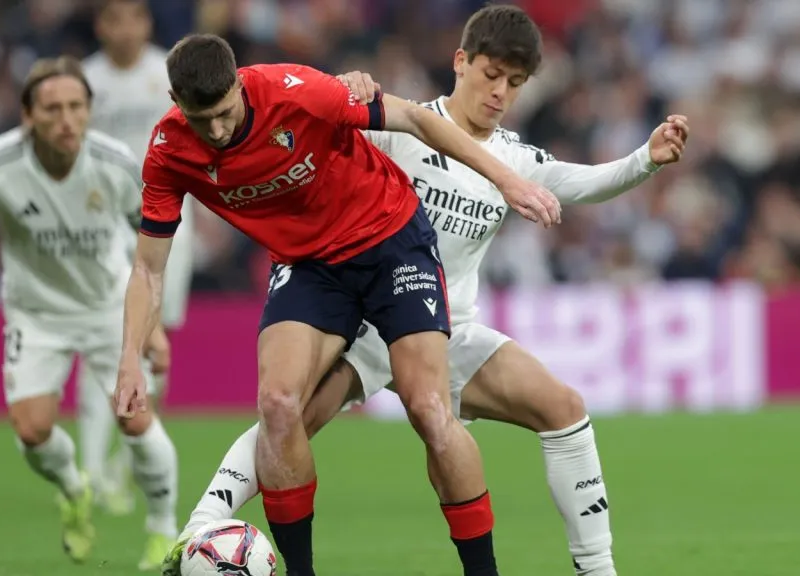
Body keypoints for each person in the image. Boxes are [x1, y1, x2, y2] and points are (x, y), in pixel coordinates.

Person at [167, 6, 689, 576]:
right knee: (285, 416)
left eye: (514, 84)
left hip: (448, 327)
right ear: (460, 62)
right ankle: (196, 531)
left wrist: (646, 160)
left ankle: (598, 569)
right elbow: (328, 130)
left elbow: (587, 182)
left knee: (563, 409)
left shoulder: (513, 158)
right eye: (491, 74)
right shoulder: (405, 125)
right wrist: (351, 83)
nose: (500, 92)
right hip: (363, 323)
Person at [114, 33, 560, 576]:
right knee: (278, 404)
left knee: (428, 408)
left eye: (225, 113)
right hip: (310, 266)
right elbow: (147, 267)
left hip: (390, 239)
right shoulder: (167, 151)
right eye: (200, 118)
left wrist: (507, 180)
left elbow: (417, 121)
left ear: (239, 84)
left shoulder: (295, 92)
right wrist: (129, 358)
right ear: (175, 100)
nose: (216, 130)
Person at [0, 57, 180, 570]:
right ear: (27, 115)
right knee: (32, 430)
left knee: (135, 420)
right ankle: (73, 487)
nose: (66, 119)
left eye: (76, 107)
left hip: (108, 309)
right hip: (35, 315)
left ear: (89, 110)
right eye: (53, 108)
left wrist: (153, 326)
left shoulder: (118, 163)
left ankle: (163, 529)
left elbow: (152, 249)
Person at [80, 0, 193, 518]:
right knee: (103, 335)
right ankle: (89, 470)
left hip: (169, 226)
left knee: (158, 338)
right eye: (114, 18)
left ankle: (129, 459)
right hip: (101, 227)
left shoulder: (168, 73)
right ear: (100, 25)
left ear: (147, 24)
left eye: (134, 17)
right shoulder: (83, 81)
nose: (124, 28)